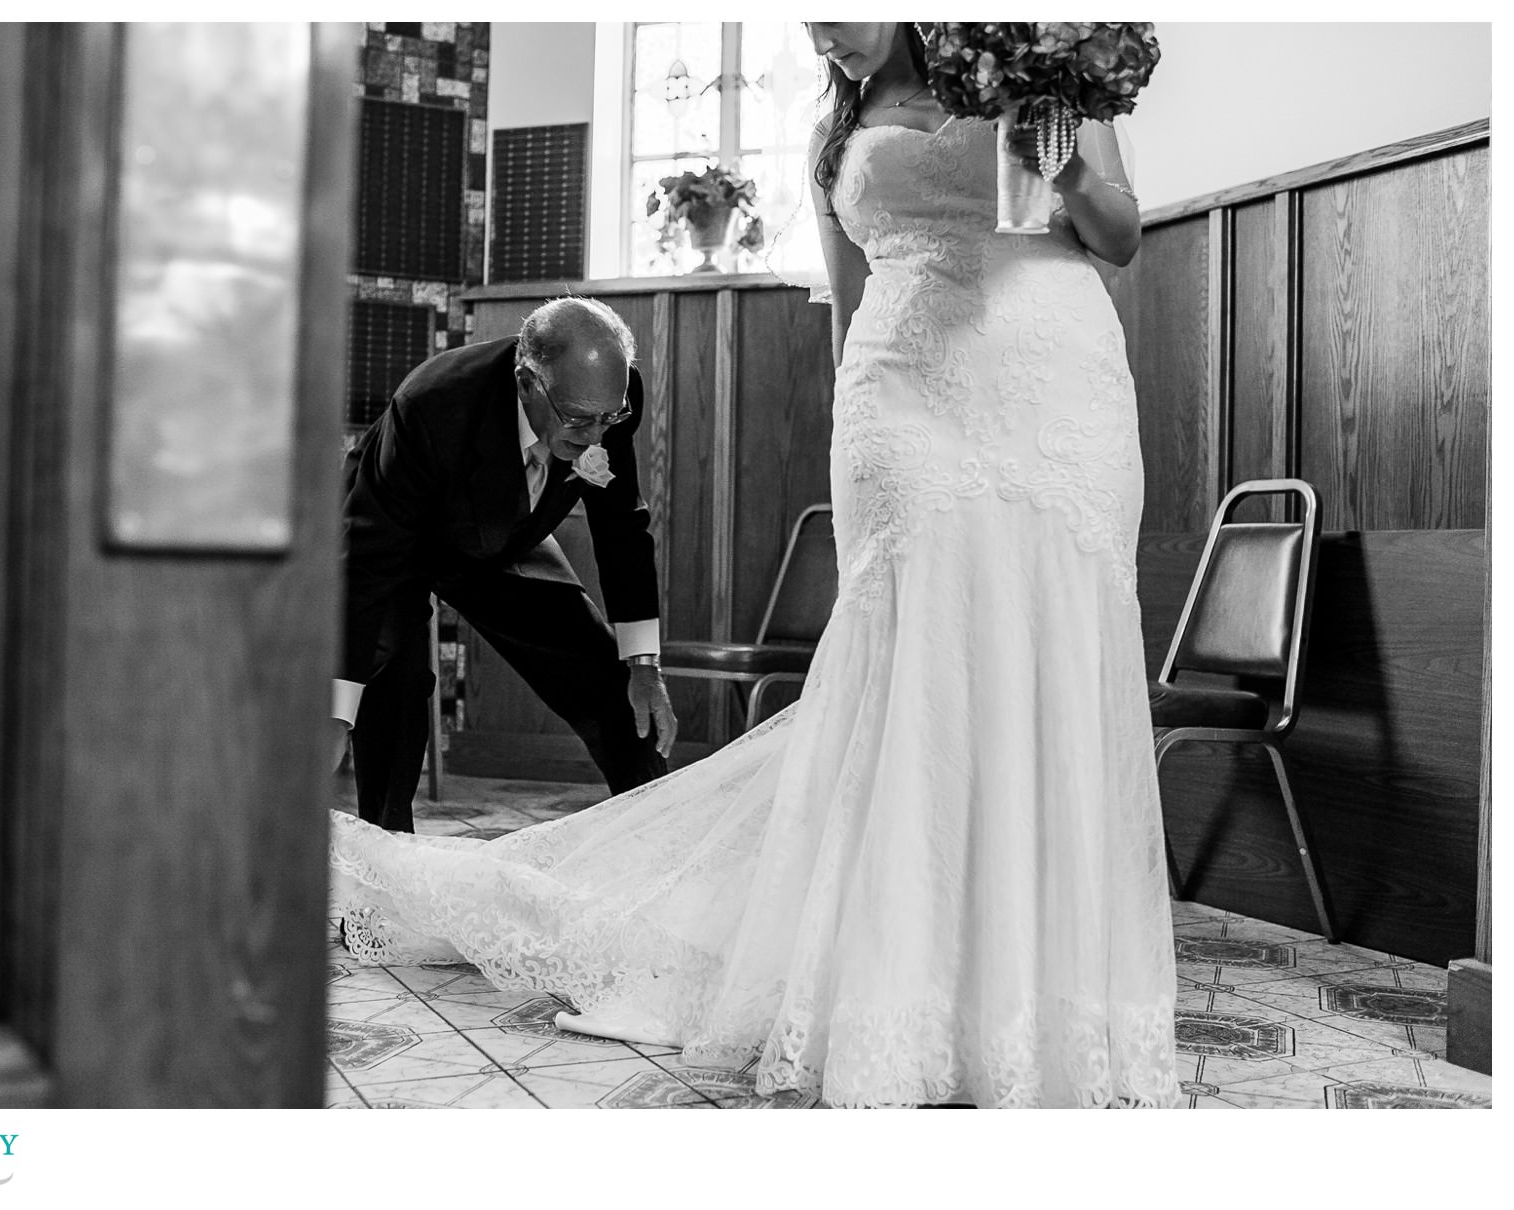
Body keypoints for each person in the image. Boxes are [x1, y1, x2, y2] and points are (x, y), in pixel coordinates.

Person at [329, 21, 1180, 1108]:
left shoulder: (1041, 69)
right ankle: (887, 987)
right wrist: (855, 435)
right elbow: (846, 315)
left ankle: (1029, 993)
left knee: (1042, 652)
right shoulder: (835, 131)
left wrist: (1058, 146)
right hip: (902, 398)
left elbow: (1116, 236)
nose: (822, 26)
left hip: (1051, 381)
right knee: (910, 662)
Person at [336, 297, 677, 832]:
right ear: (527, 383)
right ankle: (386, 860)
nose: (595, 437)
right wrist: (337, 708)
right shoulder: (431, 404)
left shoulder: (609, 397)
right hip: (396, 541)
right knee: (394, 682)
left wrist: (644, 665)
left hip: (502, 534)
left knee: (603, 673)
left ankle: (652, 840)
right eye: (579, 420)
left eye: (608, 420)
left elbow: (621, 527)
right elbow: (368, 562)